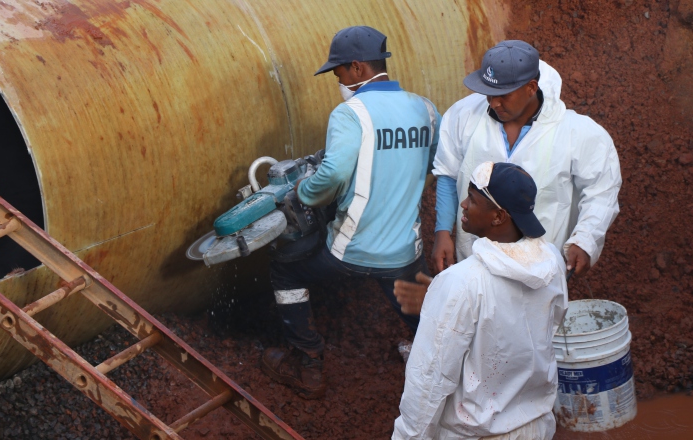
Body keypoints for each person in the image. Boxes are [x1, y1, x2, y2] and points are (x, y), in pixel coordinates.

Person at [260, 26, 441, 399]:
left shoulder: (350, 113)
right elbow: (427, 166)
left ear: (357, 68)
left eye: (339, 72)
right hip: (405, 252)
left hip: (350, 251)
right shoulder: (426, 109)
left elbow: (333, 175)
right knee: (422, 312)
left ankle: (307, 362)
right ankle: (449, 370)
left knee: (285, 272)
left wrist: (303, 192)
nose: (338, 80)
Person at [393, 161, 568, 440]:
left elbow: (429, 381)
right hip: (534, 428)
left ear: (498, 216)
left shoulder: (463, 282)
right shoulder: (552, 261)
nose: (463, 204)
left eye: (473, 199)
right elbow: (547, 327)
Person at [431, 40, 621, 278]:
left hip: (541, 269)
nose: (493, 102)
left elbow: (601, 192)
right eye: (488, 93)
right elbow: (448, 174)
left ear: (531, 87)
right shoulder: (463, 116)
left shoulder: (577, 133)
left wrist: (585, 240)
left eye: (503, 95)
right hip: (474, 265)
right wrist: (442, 232)